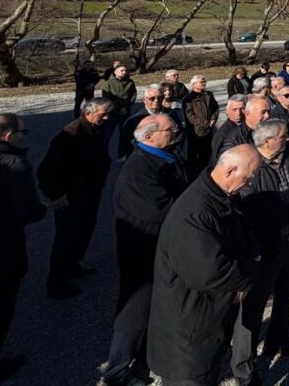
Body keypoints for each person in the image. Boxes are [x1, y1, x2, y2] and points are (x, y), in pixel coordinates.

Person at [147, 146, 260, 386]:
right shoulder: (193, 214)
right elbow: (211, 272)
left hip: (207, 324)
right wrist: (250, 273)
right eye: (248, 178)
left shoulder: (221, 196)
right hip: (188, 335)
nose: (249, 184)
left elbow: (243, 234)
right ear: (229, 170)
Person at [103, 114, 187, 386]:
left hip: (159, 249)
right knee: (136, 309)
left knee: (155, 306)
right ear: (149, 136)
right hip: (142, 251)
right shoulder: (138, 170)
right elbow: (161, 210)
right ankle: (117, 369)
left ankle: (144, 358)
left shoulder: (166, 155)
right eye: (170, 129)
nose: (177, 130)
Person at [233, 121, 289, 379]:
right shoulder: (251, 167)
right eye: (282, 136)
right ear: (267, 141)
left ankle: (278, 340)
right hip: (265, 247)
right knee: (253, 307)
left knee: (286, 293)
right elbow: (252, 212)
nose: (287, 139)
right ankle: (244, 367)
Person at [0, 114, 46, 385]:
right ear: (8, 136)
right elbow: (26, 212)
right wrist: (42, 208)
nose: (22, 137)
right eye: (21, 132)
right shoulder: (13, 165)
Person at [37, 96, 112, 299]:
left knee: (83, 230)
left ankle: (72, 265)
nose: (106, 118)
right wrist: (55, 195)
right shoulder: (70, 134)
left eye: (108, 114)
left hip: (89, 191)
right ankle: (56, 282)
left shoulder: (95, 128)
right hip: (71, 194)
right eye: (103, 114)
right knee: (67, 237)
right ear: (88, 113)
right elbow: (46, 170)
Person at [211, 95, 271, 163]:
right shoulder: (226, 135)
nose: (238, 113)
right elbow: (219, 163)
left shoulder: (268, 129)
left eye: (242, 109)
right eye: (234, 109)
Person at [119, 84, 166, 161]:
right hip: (144, 159)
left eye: (160, 97)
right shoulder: (134, 121)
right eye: (152, 98)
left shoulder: (170, 114)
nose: (156, 100)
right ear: (144, 100)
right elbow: (129, 145)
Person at [183, 75, 219, 176]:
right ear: (194, 84)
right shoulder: (188, 99)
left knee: (209, 154)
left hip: (210, 130)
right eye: (201, 82)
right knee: (197, 157)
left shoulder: (209, 94)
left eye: (204, 81)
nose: (204, 83)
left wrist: (213, 119)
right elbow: (190, 116)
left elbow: (215, 108)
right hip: (197, 132)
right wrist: (206, 123)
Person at [101, 63, 137, 151]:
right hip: (112, 113)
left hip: (125, 112)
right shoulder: (108, 83)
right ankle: (102, 153)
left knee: (126, 135)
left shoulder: (130, 82)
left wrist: (127, 106)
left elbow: (133, 95)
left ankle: (123, 154)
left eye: (125, 70)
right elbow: (107, 98)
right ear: (115, 72)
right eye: (122, 70)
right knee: (107, 135)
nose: (124, 72)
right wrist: (116, 108)